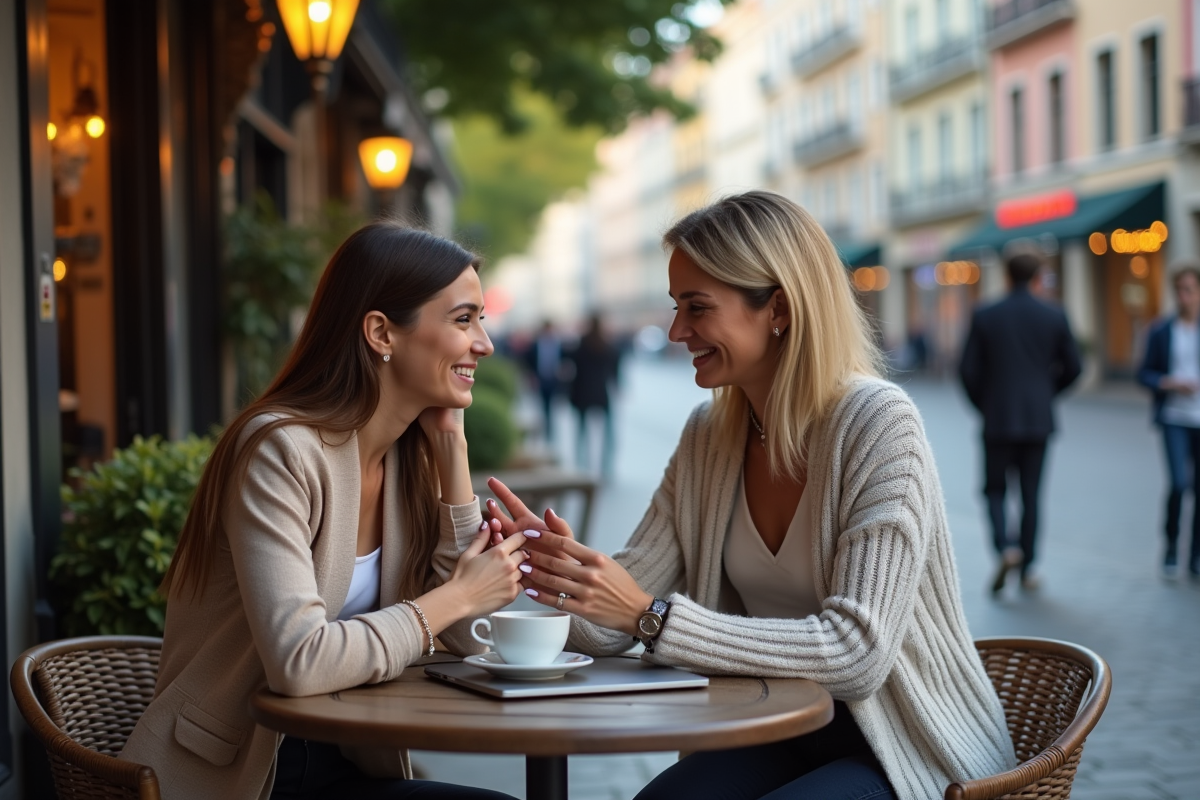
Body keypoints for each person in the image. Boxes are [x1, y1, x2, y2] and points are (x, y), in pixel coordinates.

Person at [484, 192, 1016, 800]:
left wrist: (648, 615)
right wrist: (563, 574)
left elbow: (858, 654)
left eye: (698, 307)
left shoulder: (879, 424)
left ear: (779, 309)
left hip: (907, 742)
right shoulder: (707, 437)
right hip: (777, 726)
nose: (677, 330)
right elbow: (612, 627)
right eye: (675, 306)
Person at [119, 224, 526, 800]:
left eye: (481, 319)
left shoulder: (408, 459)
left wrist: (452, 453)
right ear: (382, 332)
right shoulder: (279, 450)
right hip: (235, 775)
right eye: (464, 320)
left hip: (347, 763)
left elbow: (465, 635)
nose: (484, 342)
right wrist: (460, 594)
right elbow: (300, 661)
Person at [958, 251, 1081, 594]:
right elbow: (1075, 368)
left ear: (1007, 276)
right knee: (1031, 494)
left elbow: (967, 370)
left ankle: (1005, 547)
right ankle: (1028, 568)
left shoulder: (985, 314)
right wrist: (1046, 395)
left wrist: (985, 404)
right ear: (1038, 277)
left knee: (994, 489)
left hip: (997, 419)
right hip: (1038, 421)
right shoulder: (1054, 315)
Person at [1138, 265, 1200, 579]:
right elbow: (1143, 373)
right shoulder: (1162, 331)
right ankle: (1172, 546)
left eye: (1189, 290)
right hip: (1174, 418)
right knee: (1179, 484)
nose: (1183, 296)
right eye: (1179, 290)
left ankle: (1196, 556)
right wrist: (1169, 382)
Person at [565, 313, 622, 476]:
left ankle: (582, 464)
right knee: (608, 432)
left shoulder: (581, 345)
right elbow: (615, 370)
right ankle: (606, 465)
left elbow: (569, 365)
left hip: (582, 392)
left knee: (581, 432)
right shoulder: (607, 345)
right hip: (601, 393)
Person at [523, 320, 563, 442]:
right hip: (540, 379)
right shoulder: (535, 344)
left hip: (553, 380)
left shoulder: (558, 344)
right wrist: (532, 376)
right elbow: (528, 361)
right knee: (541, 406)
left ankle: (550, 430)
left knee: (551, 406)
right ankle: (543, 428)